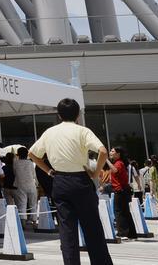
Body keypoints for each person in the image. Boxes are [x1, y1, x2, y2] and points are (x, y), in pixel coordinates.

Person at [29, 98, 113, 265]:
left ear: (59, 115)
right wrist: (96, 173)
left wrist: (48, 170)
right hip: (81, 181)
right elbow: (103, 151)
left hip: (59, 181)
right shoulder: (82, 131)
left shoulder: (50, 132)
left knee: (67, 232)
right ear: (77, 115)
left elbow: (32, 153)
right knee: (92, 229)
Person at [109, 146, 137, 240]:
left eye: (112, 151)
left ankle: (123, 233)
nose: (110, 152)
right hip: (124, 190)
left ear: (118, 154)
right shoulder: (120, 163)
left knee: (119, 212)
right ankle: (131, 234)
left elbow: (115, 171)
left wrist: (106, 160)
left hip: (120, 190)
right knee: (125, 212)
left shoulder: (118, 163)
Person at [14, 147, 38, 226]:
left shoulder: (15, 163)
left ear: (18, 154)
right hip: (31, 184)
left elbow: (15, 173)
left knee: (22, 204)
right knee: (33, 204)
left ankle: (23, 222)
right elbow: (34, 175)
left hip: (20, 185)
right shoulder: (30, 163)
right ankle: (34, 221)